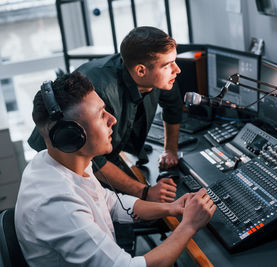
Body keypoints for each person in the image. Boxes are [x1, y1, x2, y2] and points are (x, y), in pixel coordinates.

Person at [15, 72, 215, 267]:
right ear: (71, 137)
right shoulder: (59, 206)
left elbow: (110, 202)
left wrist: (171, 208)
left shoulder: (55, 162)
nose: (113, 120)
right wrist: (189, 225)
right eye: (101, 115)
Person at [28, 26, 183, 203]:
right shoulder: (99, 90)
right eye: (167, 65)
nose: (177, 70)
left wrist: (170, 149)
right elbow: (90, 157)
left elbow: (173, 107)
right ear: (141, 70)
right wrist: (144, 192)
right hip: (67, 161)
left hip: (96, 155)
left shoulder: (160, 77)